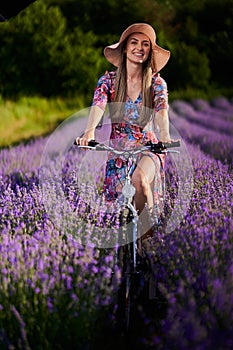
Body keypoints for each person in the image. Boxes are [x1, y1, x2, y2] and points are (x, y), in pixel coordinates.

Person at [76, 23, 174, 223]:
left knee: (140, 180)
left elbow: (161, 110)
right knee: (118, 207)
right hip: (119, 148)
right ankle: (124, 245)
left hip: (150, 147)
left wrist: (164, 135)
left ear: (149, 50)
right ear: (125, 48)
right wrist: (89, 132)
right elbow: (98, 105)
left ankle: (146, 238)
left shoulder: (156, 83)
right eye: (134, 42)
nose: (140, 48)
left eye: (145, 44)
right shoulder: (109, 81)